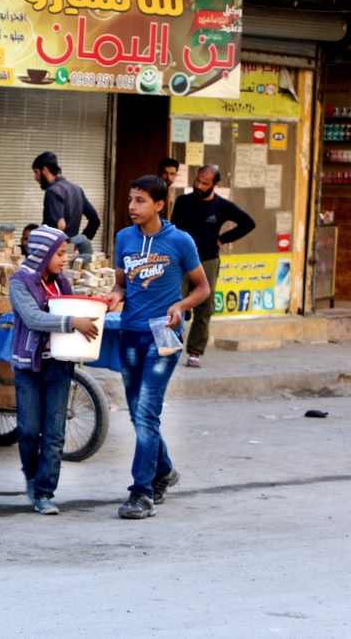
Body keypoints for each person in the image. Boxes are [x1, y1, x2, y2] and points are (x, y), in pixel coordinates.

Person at [106, 175, 210, 520]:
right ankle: (164, 471)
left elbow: (202, 288)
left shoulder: (180, 241)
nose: (132, 207)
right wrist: (114, 297)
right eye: (131, 200)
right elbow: (122, 285)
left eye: (140, 201)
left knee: (147, 412)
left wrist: (180, 306)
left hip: (164, 336)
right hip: (130, 334)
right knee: (139, 414)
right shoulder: (124, 238)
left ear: (159, 205)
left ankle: (142, 492)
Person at [9, 226, 99, 515]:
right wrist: (73, 322)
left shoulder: (62, 284)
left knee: (55, 433)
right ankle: (32, 478)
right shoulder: (19, 282)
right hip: (29, 367)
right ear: (43, 253)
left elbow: (71, 309)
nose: (64, 259)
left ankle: (45, 492)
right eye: (59, 254)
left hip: (59, 366)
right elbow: (34, 318)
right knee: (27, 431)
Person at [171, 164, 256, 368]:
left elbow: (248, 223)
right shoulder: (182, 202)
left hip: (207, 260)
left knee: (204, 307)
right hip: (181, 261)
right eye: (198, 180)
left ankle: (195, 352)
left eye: (205, 183)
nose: (199, 185)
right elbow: (173, 230)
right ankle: (171, 347)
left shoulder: (222, 206)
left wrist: (223, 238)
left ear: (215, 184)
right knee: (174, 302)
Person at [32, 151, 100, 240]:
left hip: (54, 251)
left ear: (45, 170)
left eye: (36, 172)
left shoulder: (52, 191)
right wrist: (79, 243)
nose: (35, 177)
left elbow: (59, 225)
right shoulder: (77, 189)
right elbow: (96, 219)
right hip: (69, 251)